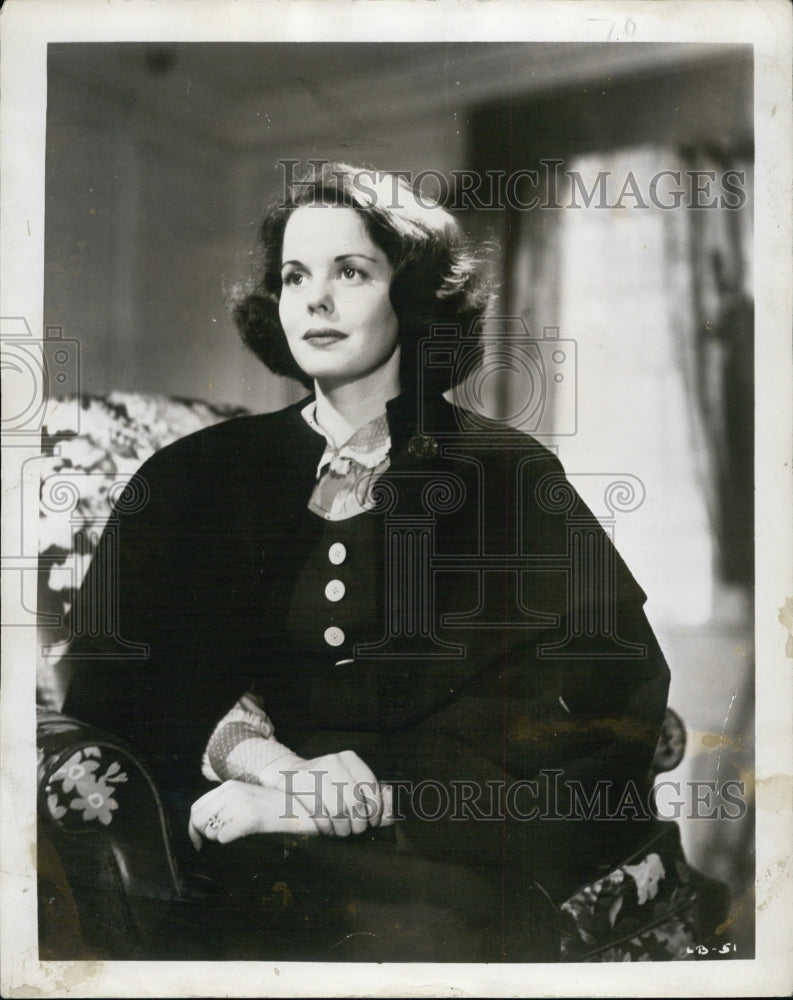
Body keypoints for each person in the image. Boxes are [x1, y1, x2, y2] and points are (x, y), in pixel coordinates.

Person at [62, 162, 672, 962]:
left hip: (444, 852)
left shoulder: (506, 474)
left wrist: (377, 791)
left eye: (350, 271)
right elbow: (116, 681)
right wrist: (267, 766)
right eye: (293, 276)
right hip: (237, 837)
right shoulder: (194, 476)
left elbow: (604, 691)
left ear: (414, 296)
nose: (314, 299)